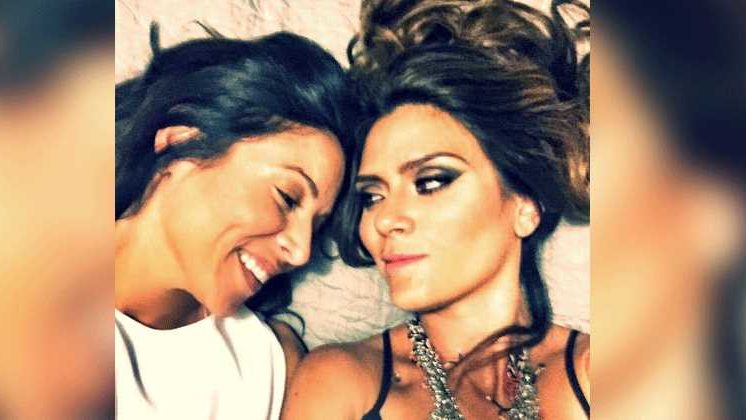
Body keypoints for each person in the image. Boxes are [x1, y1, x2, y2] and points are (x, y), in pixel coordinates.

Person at [282, 1, 589, 419]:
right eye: (372, 196)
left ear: (525, 205)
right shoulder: (344, 381)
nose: (385, 220)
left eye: (431, 182)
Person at [114, 27, 354, 419]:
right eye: (287, 197)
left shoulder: (266, 365)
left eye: (317, 226)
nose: (301, 251)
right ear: (181, 143)